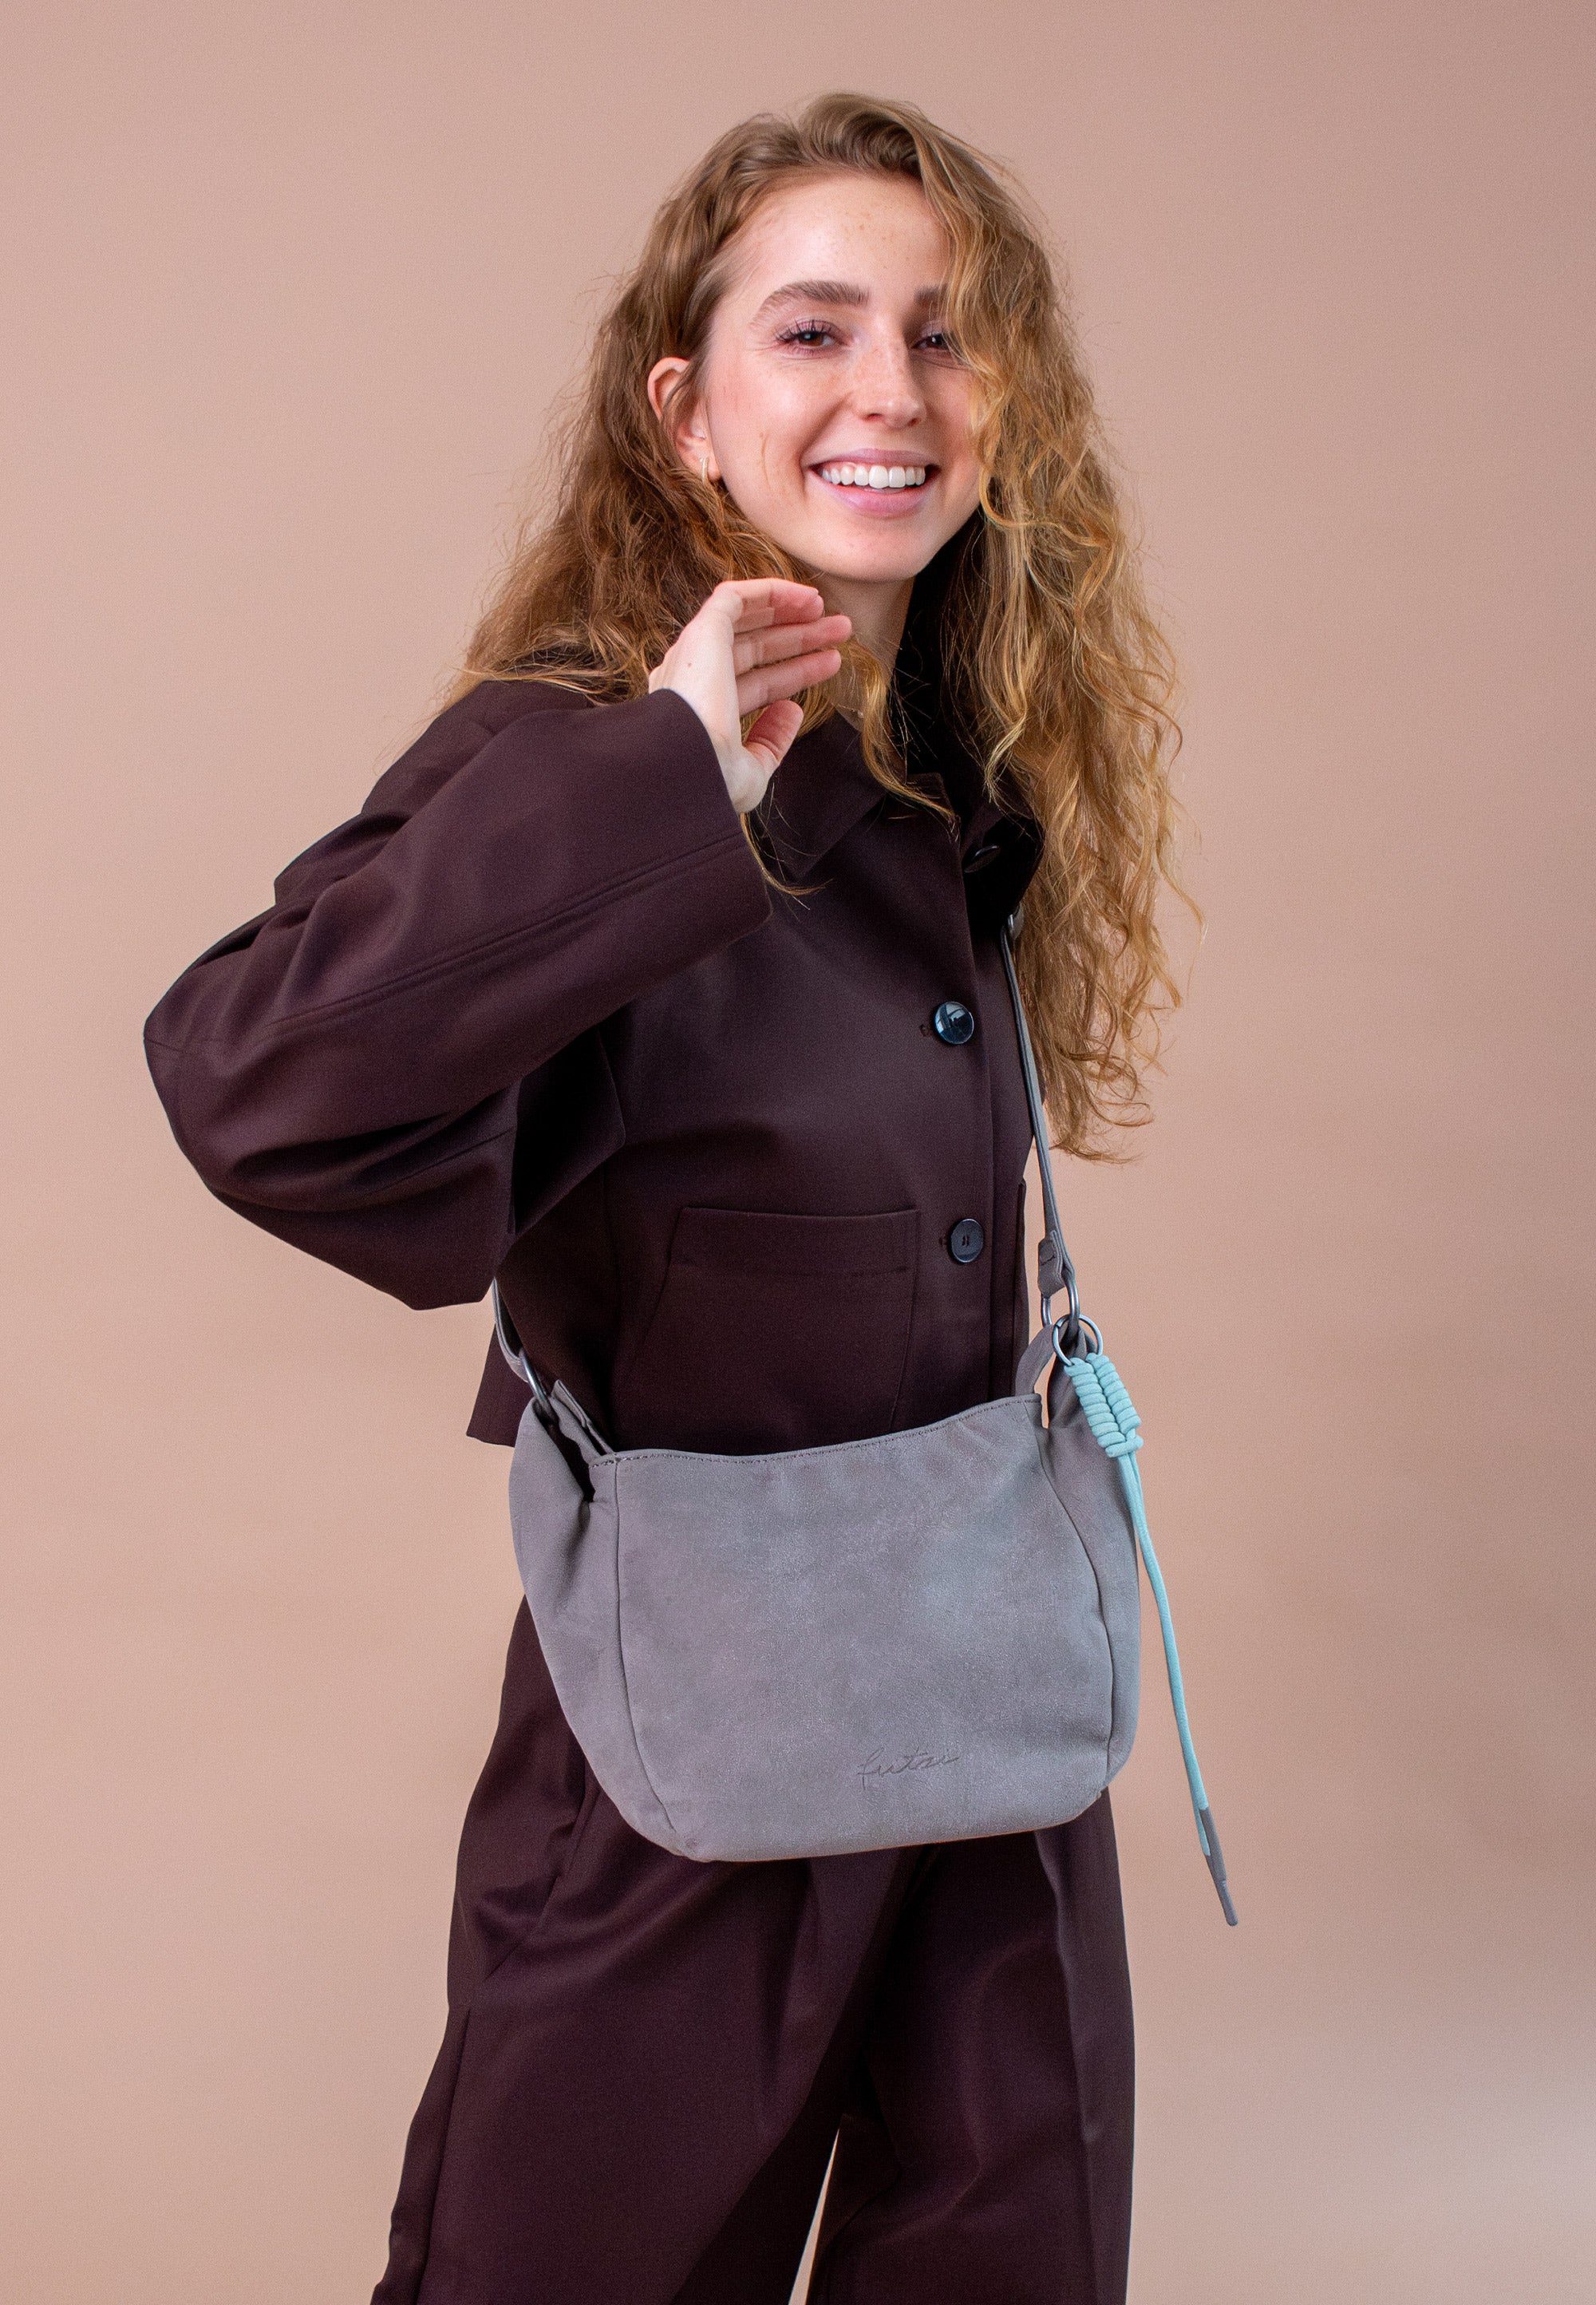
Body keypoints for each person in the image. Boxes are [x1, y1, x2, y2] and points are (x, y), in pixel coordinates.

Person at [145, 91, 1186, 2305]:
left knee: (1010, 2246)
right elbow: (254, 1077)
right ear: (685, 414)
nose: (892, 389)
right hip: (687, 1734)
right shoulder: (582, 750)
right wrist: (669, 778)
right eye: (813, 332)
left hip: (986, 1707)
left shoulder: (956, 772)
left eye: (945, 333)